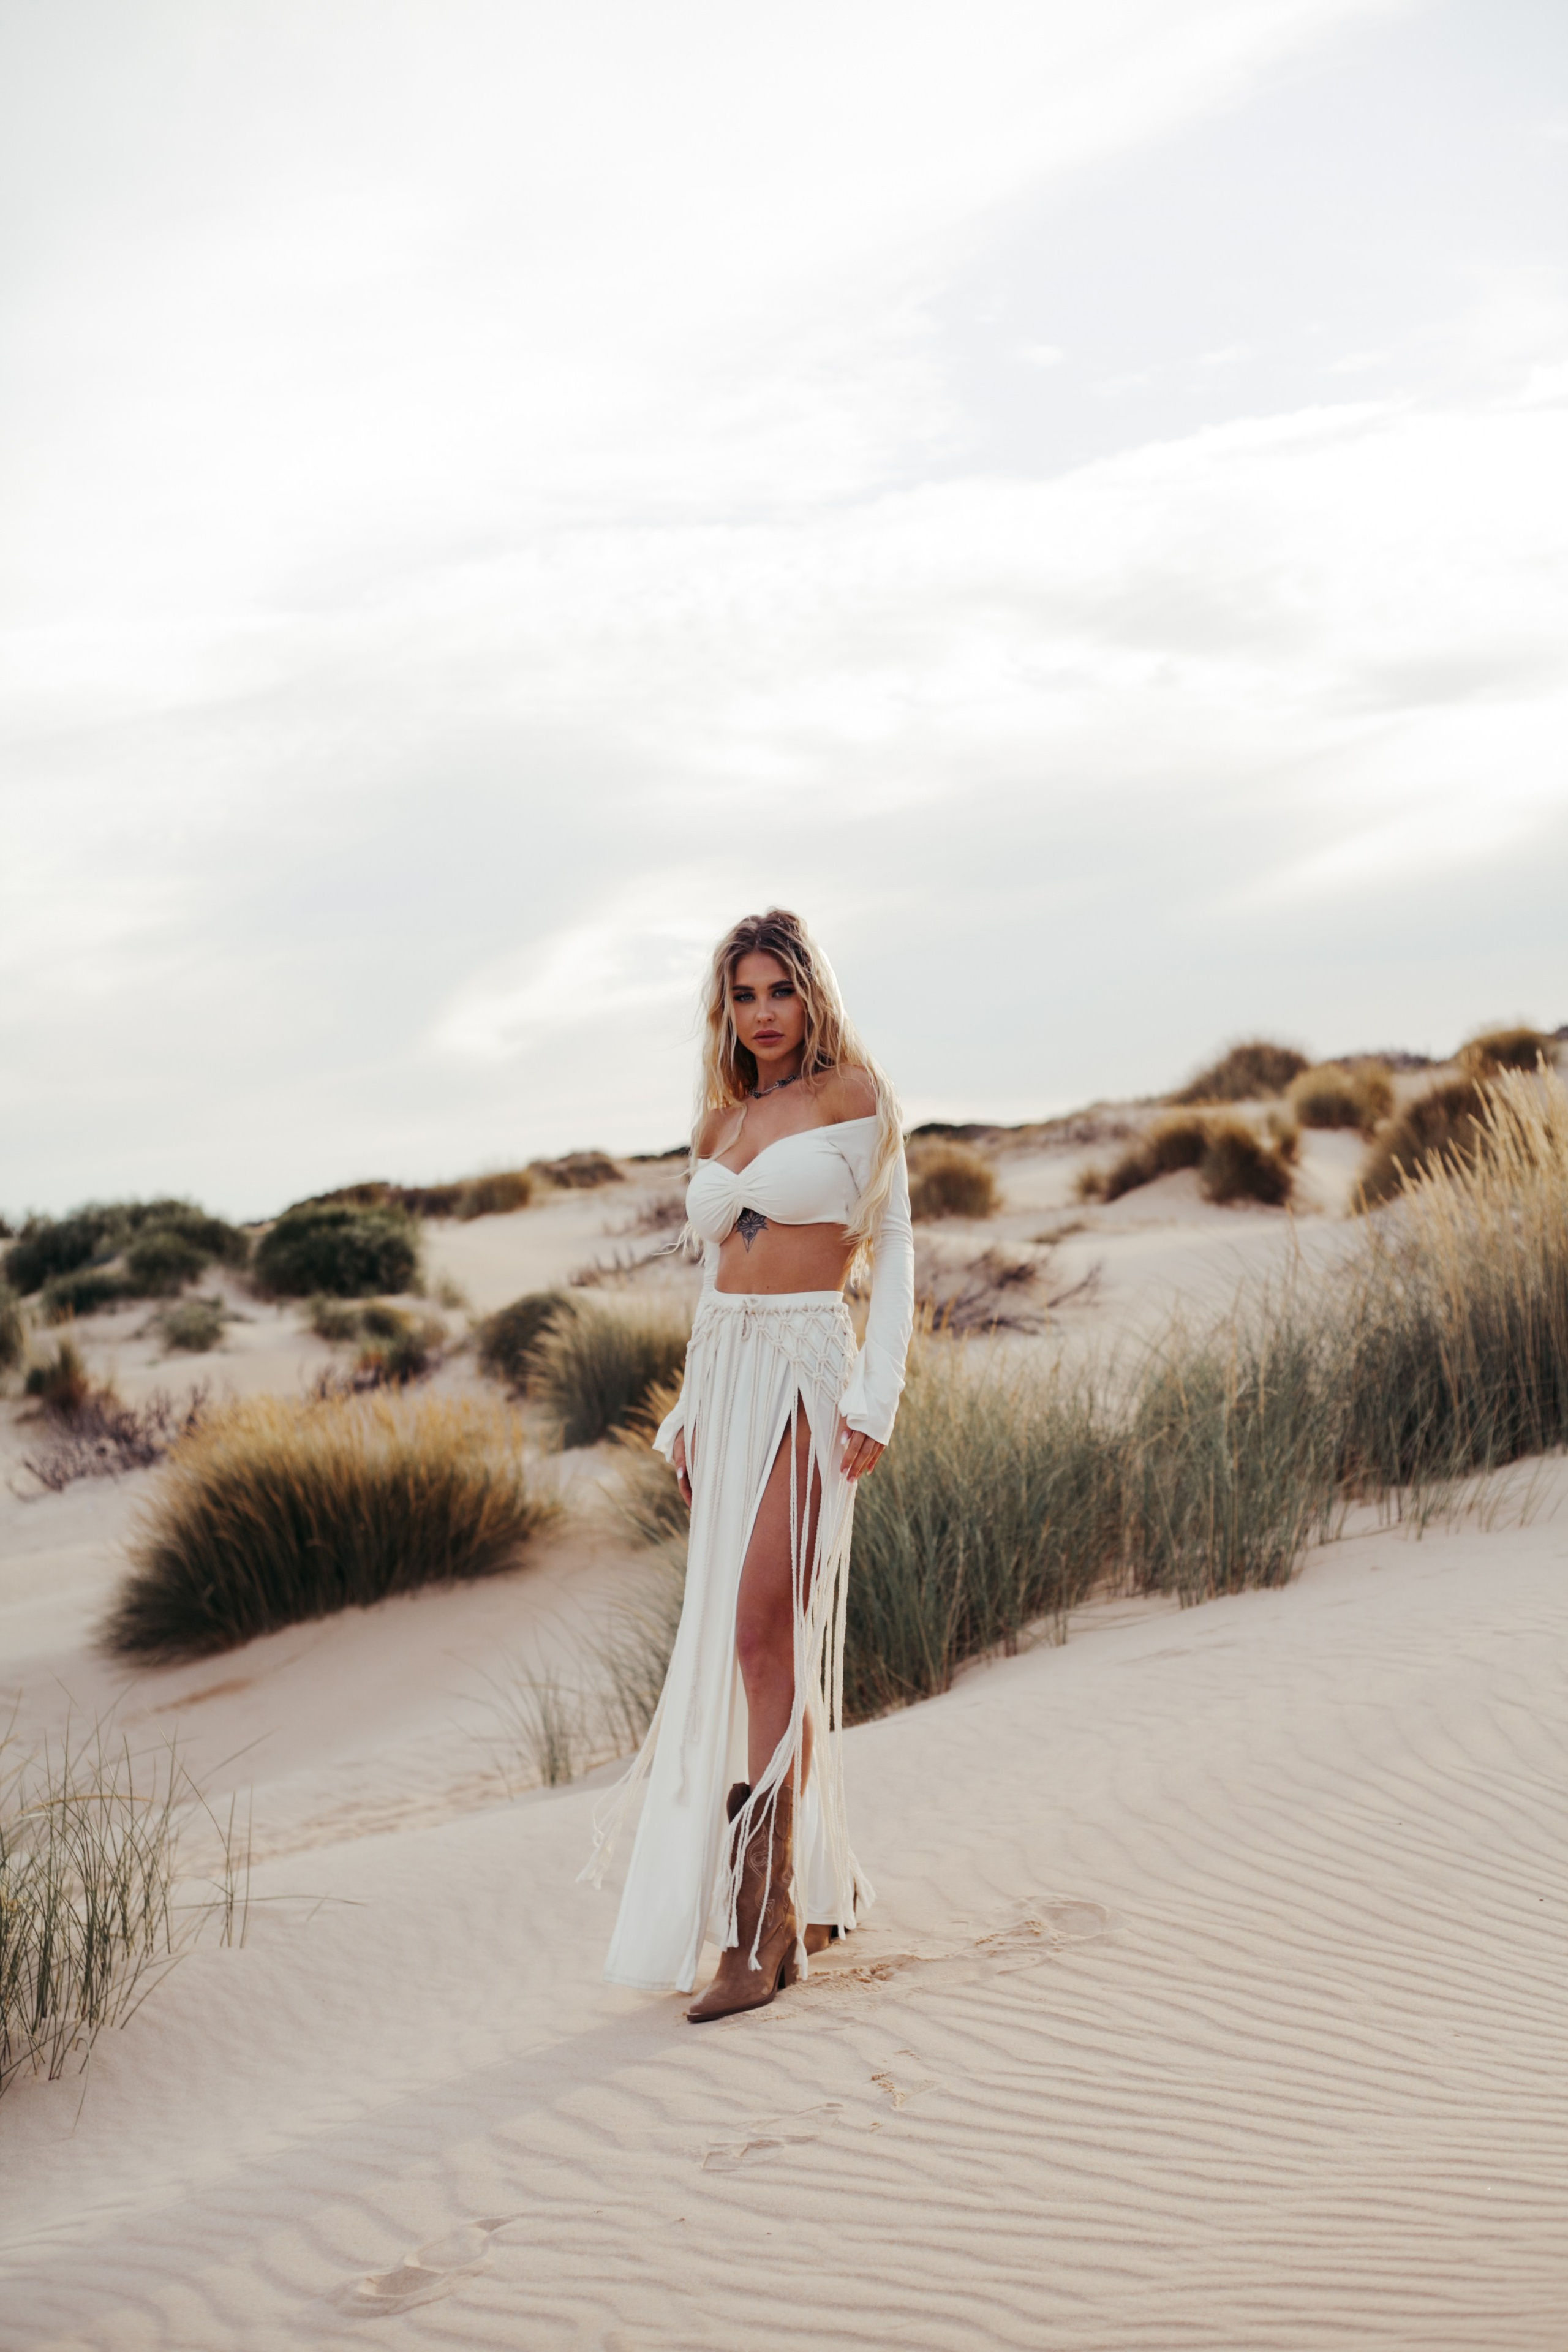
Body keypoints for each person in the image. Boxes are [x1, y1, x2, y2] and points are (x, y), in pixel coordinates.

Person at [581, 908, 914, 2021]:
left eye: (780, 990)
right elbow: (715, 1271)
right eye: (744, 996)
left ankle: (757, 1927)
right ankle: (813, 1884)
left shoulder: (856, 1099)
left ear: (811, 993)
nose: (763, 1013)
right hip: (726, 1378)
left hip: (814, 1369)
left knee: (764, 1625)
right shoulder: (721, 1124)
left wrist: (879, 1392)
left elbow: (899, 1250)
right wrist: (683, 1404)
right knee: (760, 1645)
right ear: (724, 1010)